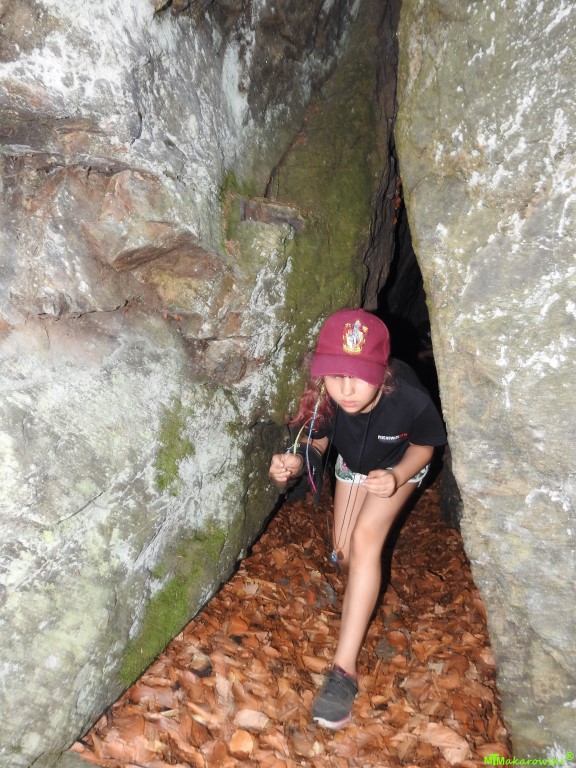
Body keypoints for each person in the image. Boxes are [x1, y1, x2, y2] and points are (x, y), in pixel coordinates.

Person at [268, 308, 447, 729]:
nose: (346, 390)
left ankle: (342, 673)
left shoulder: (409, 396)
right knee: (345, 555)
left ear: (382, 372)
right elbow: (318, 442)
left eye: (359, 376)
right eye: (335, 376)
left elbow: (426, 444)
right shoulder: (324, 397)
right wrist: (295, 463)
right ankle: (361, 588)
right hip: (352, 463)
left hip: (398, 466)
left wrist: (398, 476)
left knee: (366, 538)